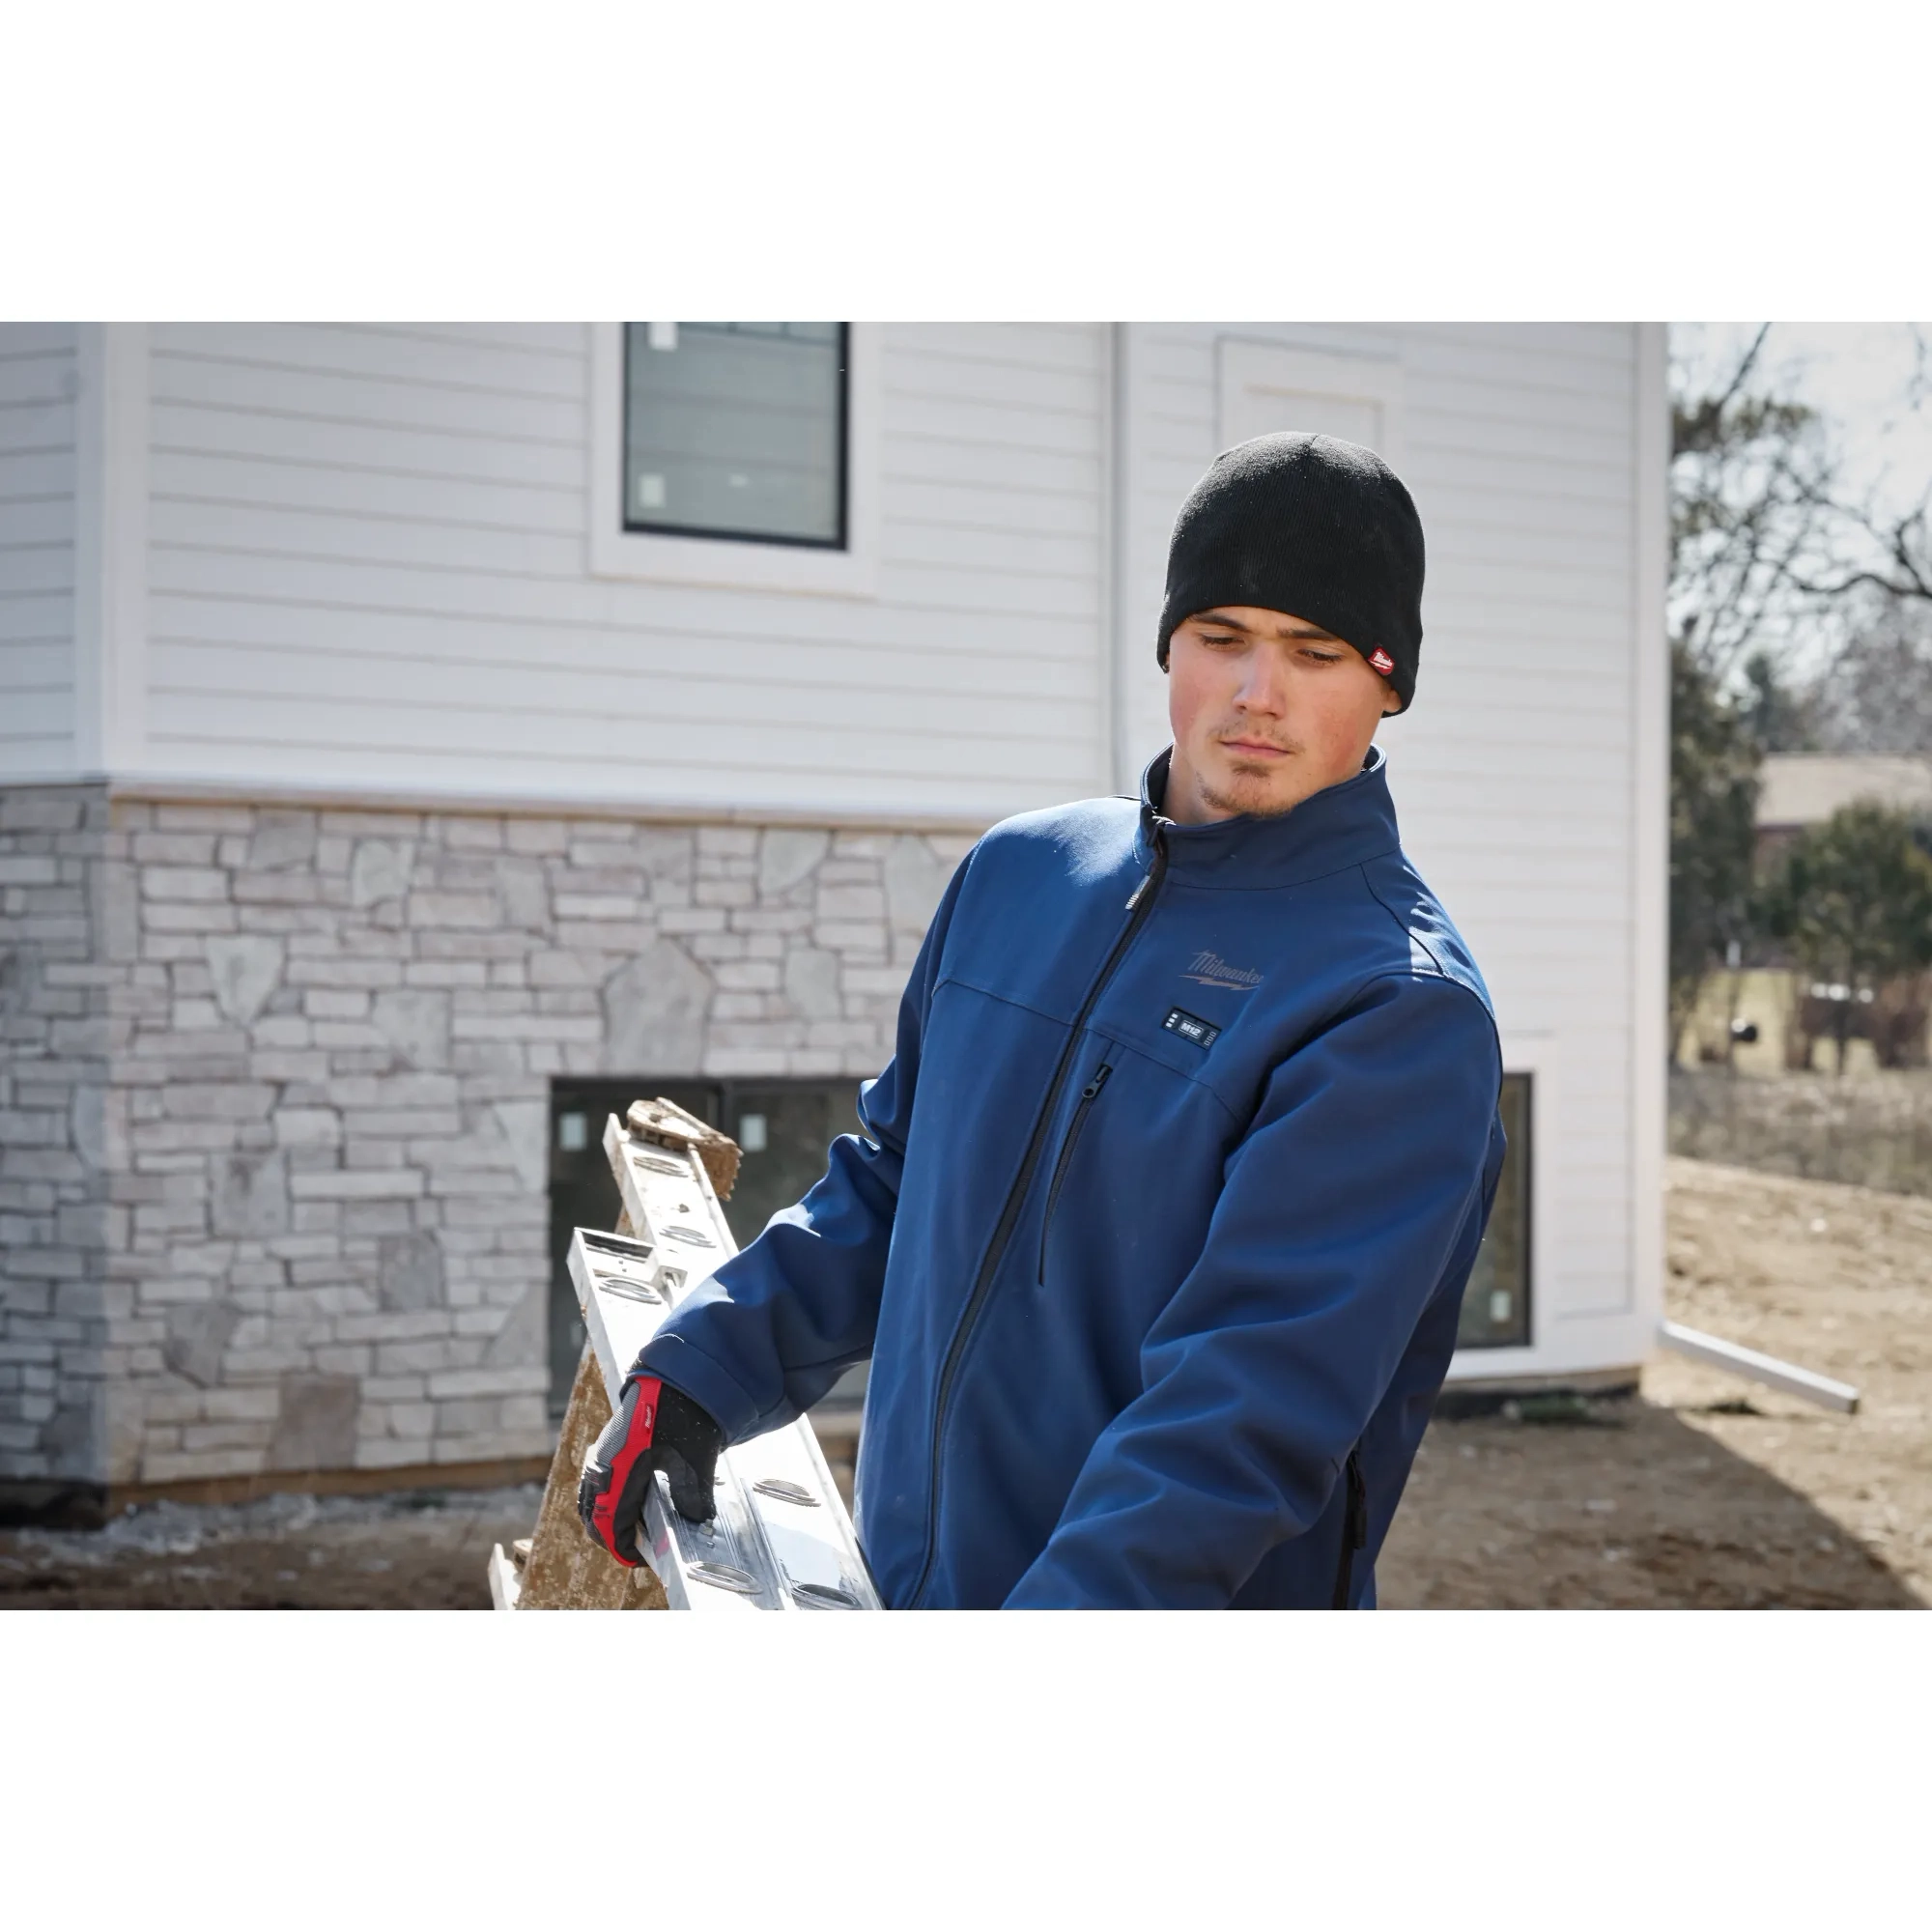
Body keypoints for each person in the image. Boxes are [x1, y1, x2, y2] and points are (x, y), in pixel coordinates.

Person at [579, 432, 1506, 1609]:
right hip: (907, 1583)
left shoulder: (1394, 1007)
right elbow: (893, 1184)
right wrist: (709, 1368)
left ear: (1386, 681)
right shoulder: (1018, 874)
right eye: (1220, 638)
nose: (1254, 694)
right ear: (1168, 642)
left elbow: (1234, 1421)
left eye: (1311, 652)